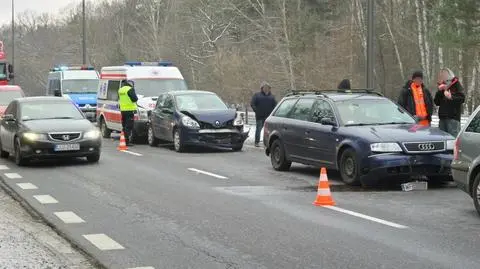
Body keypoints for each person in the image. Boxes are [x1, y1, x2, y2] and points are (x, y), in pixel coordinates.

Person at [434, 68, 465, 137]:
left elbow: (462, 98)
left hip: (453, 118)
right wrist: (440, 91)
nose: (443, 76)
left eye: (444, 74)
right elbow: (437, 102)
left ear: (450, 74)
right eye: (441, 74)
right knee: (442, 139)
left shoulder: (456, 84)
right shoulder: (442, 85)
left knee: (453, 139)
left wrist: (451, 97)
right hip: (442, 118)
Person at [250, 82, 277, 147]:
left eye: (267, 88)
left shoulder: (272, 97)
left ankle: (266, 142)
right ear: (262, 88)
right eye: (265, 88)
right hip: (260, 116)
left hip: (269, 117)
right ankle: (257, 142)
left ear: (269, 89)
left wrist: (273, 113)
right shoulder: (257, 95)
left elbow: (275, 105)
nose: (266, 89)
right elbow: (252, 104)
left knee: (268, 131)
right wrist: (256, 111)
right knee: (258, 129)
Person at [118, 80, 138, 146]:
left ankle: (123, 139)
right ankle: (126, 141)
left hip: (123, 110)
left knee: (124, 125)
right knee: (129, 126)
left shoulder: (120, 90)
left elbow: (119, 99)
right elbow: (135, 99)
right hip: (130, 110)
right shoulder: (130, 89)